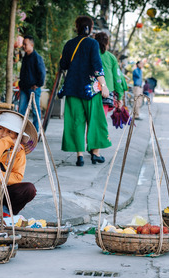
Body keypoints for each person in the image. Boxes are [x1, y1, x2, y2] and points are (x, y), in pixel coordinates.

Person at [59, 15, 111, 167]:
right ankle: (95, 154)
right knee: (95, 121)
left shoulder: (69, 44)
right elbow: (97, 65)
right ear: (90, 27)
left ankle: (79, 156)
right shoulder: (92, 43)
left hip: (73, 89)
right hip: (90, 90)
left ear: (77, 27)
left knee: (75, 122)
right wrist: (104, 85)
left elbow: (63, 64)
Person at [94, 31, 128, 116]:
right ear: (107, 43)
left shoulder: (90, 54)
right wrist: (120, 97)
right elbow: (117, 78)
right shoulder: (111, 57)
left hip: (90, 91)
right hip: (105, 92)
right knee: (101, 122)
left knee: (90, 121)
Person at [18, 35, 46, 132]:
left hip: (33, 88)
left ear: (31, 44)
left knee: (35, 110)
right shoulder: (25, 57)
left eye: (25, 44)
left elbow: (42, 73)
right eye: (23, 44)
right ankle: (20, 130)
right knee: (21, 110)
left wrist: (38, 84)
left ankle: (35, 130)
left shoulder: (37, 58)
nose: (23, 46)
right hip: (24, 88)